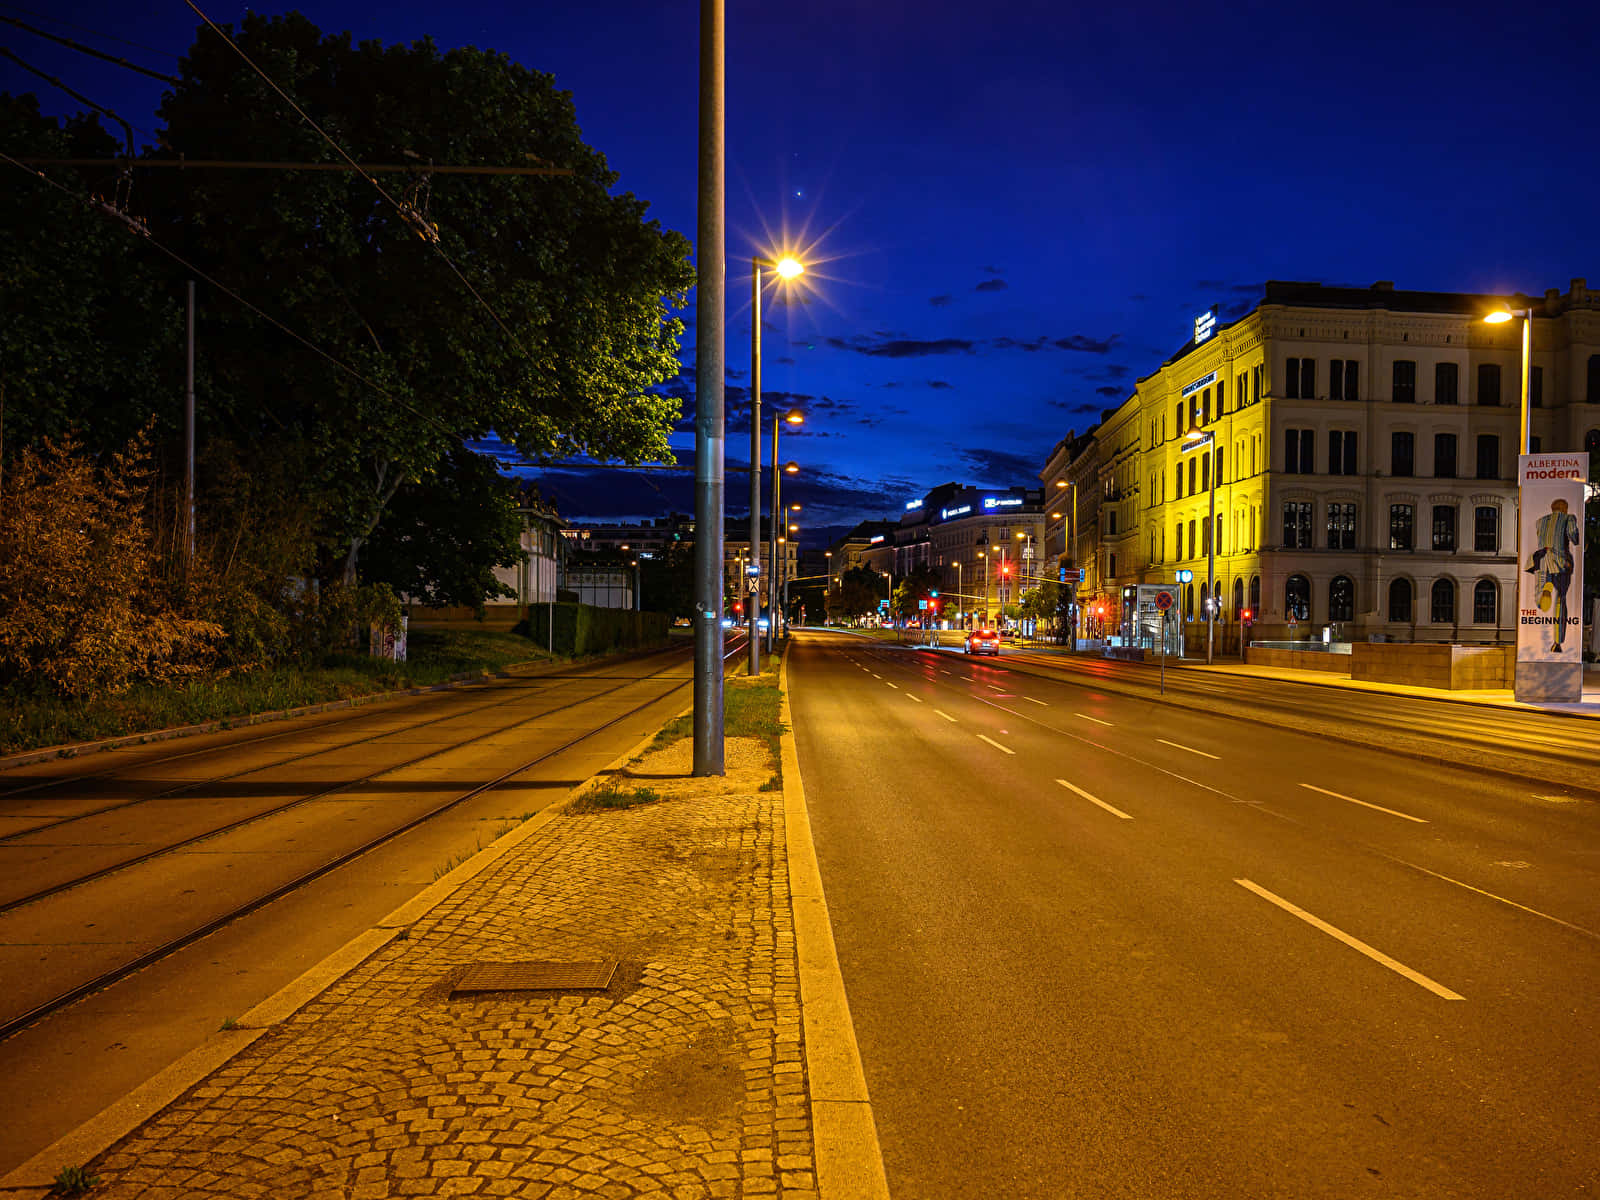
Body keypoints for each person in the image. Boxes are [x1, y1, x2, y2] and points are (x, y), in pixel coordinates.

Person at [1527, 497, 1581, 653]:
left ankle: (1547, 587)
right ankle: (1557, 643)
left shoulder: (1540, 521)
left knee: (1541, 590)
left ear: (1552, 509)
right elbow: (1573, 537)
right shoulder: (1568, 517)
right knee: (1561, 600)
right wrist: (1579, 539)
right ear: (1564, 509)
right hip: (1560, 563)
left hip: (1542, 561)